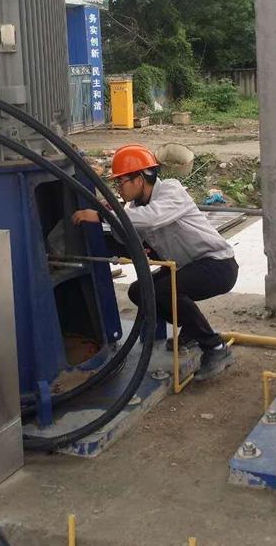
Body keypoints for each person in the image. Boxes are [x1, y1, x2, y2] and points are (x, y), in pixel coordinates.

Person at [72, 144, 238, 381]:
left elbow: (153, 218)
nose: (118, 187)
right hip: (189, 267)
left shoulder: (171, 191)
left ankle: (215, 347)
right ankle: (193, 330)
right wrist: (110, 214)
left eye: (121, 181)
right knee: (139, 291)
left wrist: (103, 216)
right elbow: (127, 237)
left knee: (165, 289)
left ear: (139, 179)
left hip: (218, 265)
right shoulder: (134, 208)